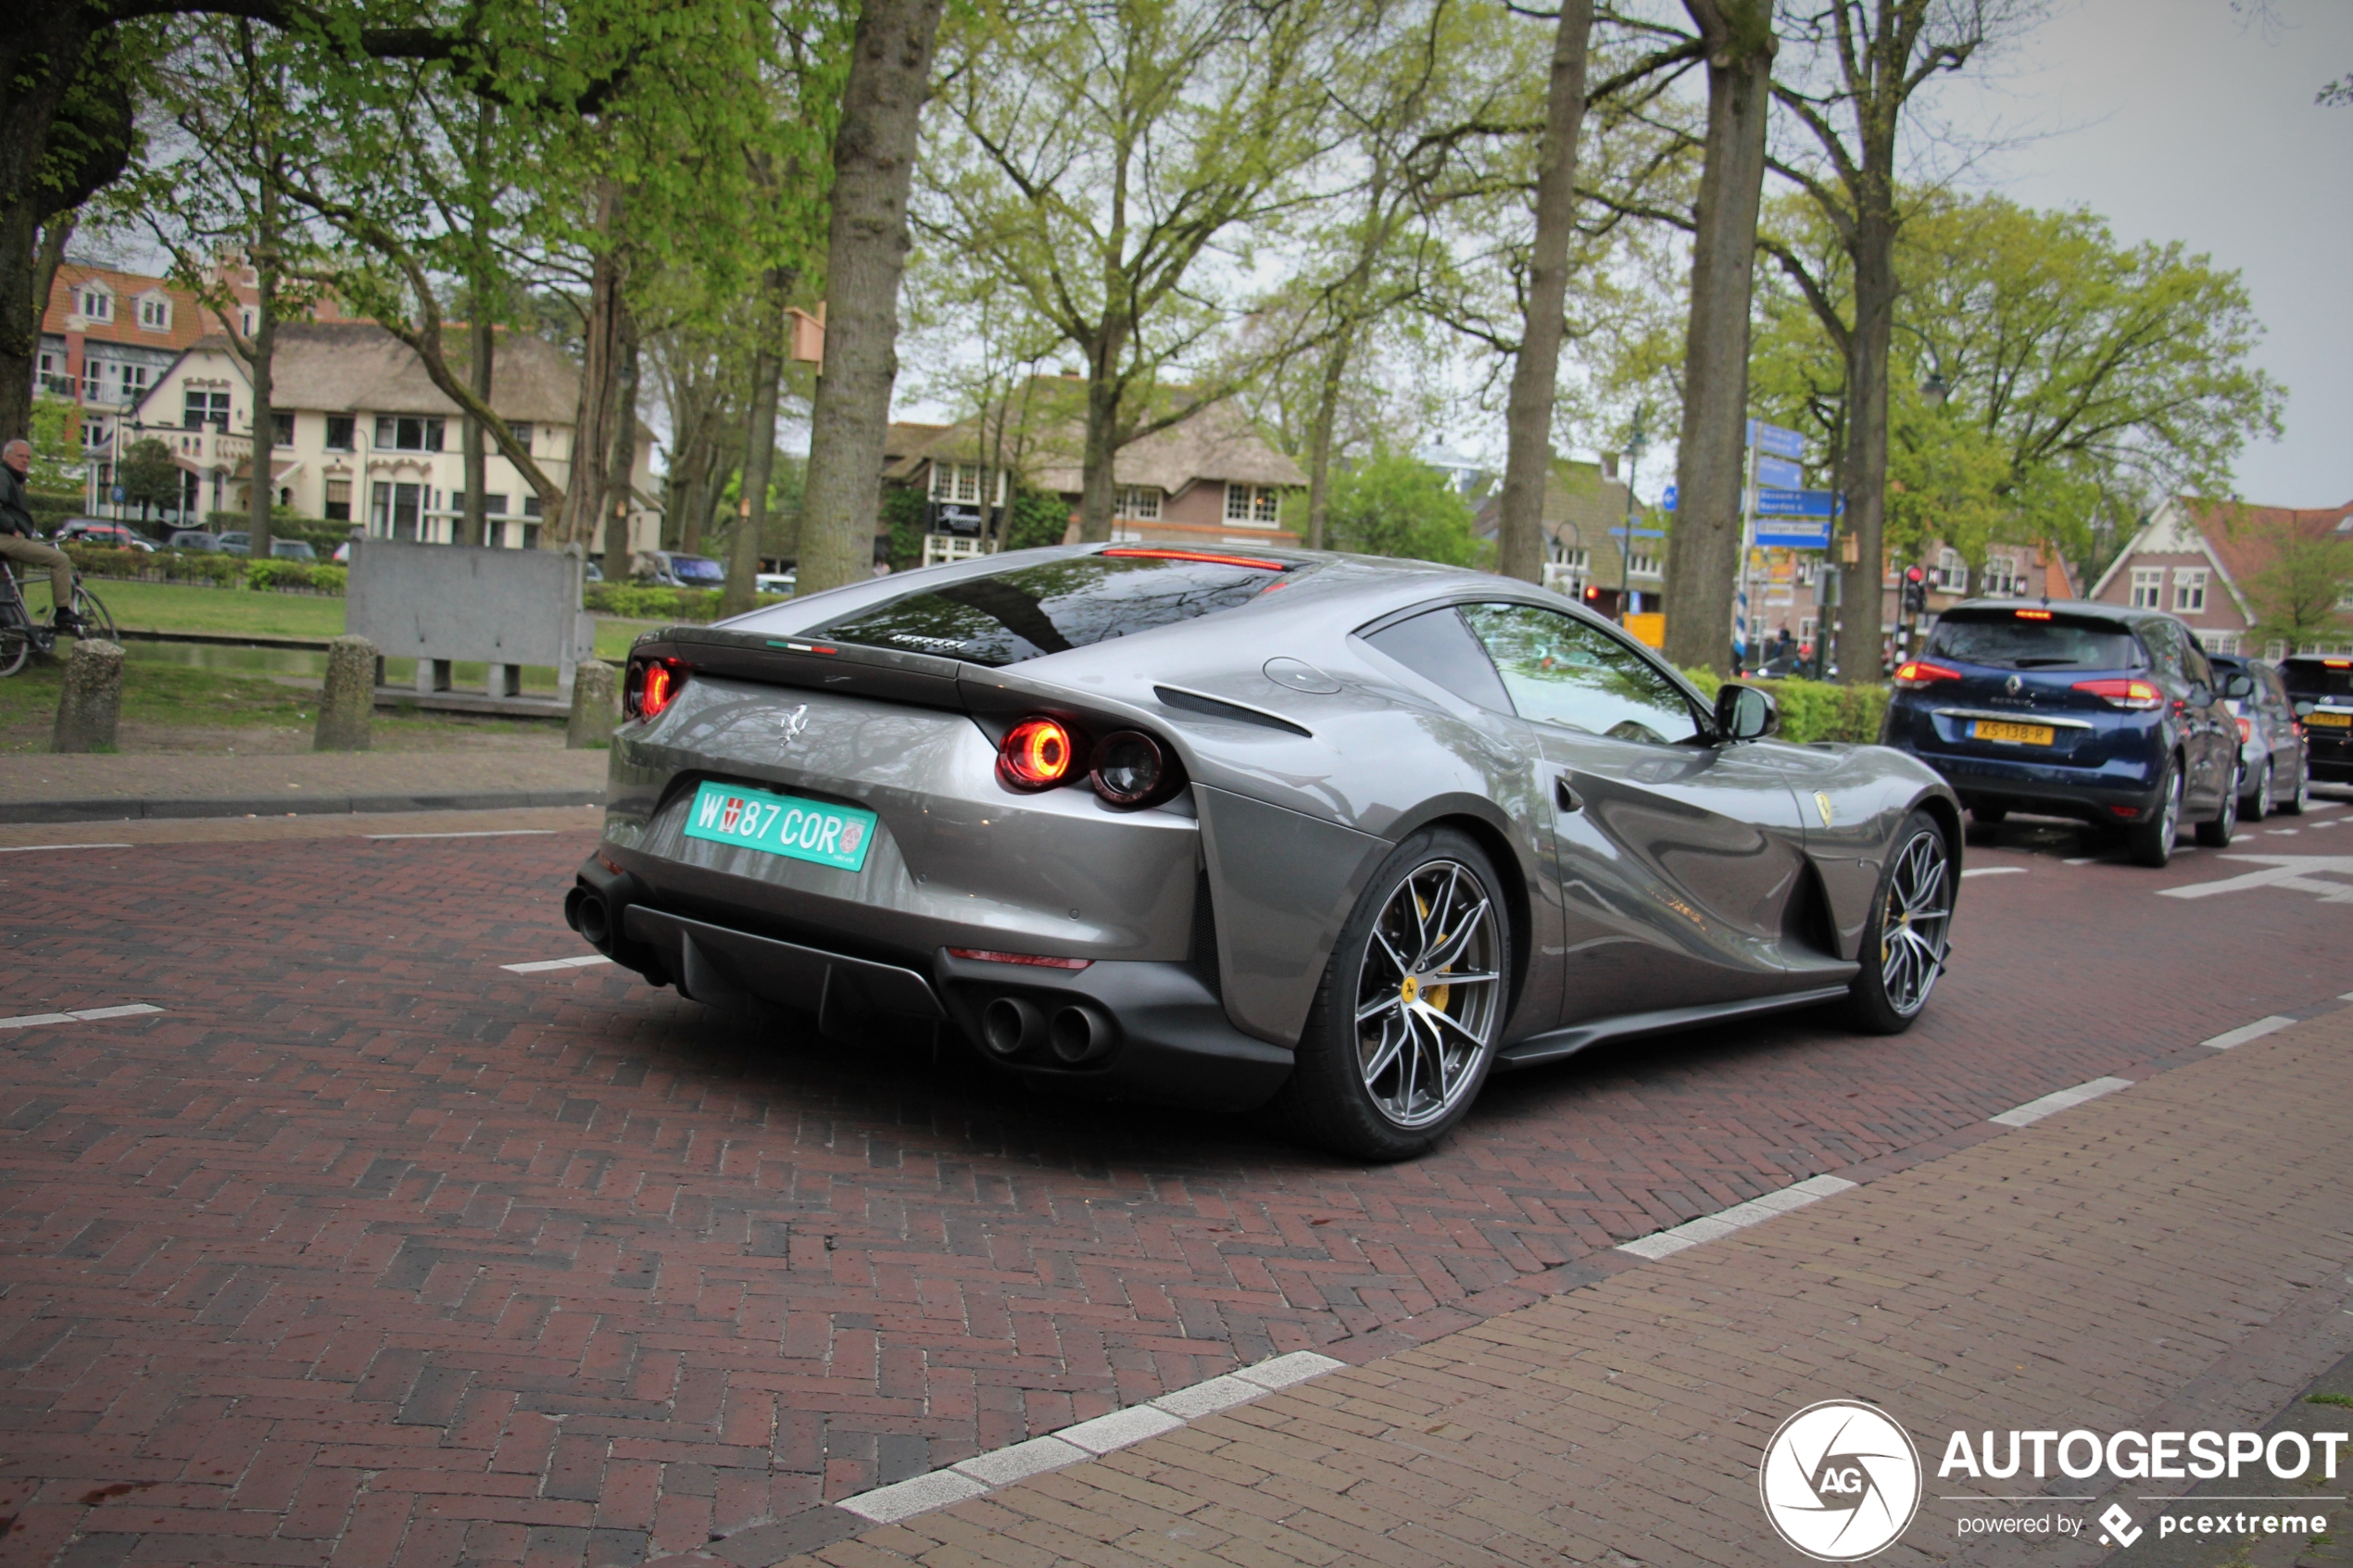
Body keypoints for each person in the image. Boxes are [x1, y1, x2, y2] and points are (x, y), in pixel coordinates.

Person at [0, 439, 81, 633]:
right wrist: (12, 529)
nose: (25, 460)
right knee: (60, 559)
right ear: (6, 456)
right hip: (4, 538)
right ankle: (63, 613)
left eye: (28, 457)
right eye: (20, 456)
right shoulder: (3, 476)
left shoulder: (11, 478)